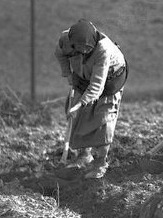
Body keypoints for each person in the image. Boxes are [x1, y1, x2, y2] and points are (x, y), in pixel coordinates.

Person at [54, 19, 128, 179]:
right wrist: (69, 75)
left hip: (109, 80)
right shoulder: (66, 40)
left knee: (103, 119)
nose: (84, 52)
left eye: (87, 50)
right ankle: (84, 155)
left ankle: (100, 163)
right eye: (80, 50)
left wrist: (80, 104)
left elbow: (97, 86)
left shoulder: (103, 50)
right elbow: (59, 54)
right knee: (77, 116)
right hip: (83, 75)